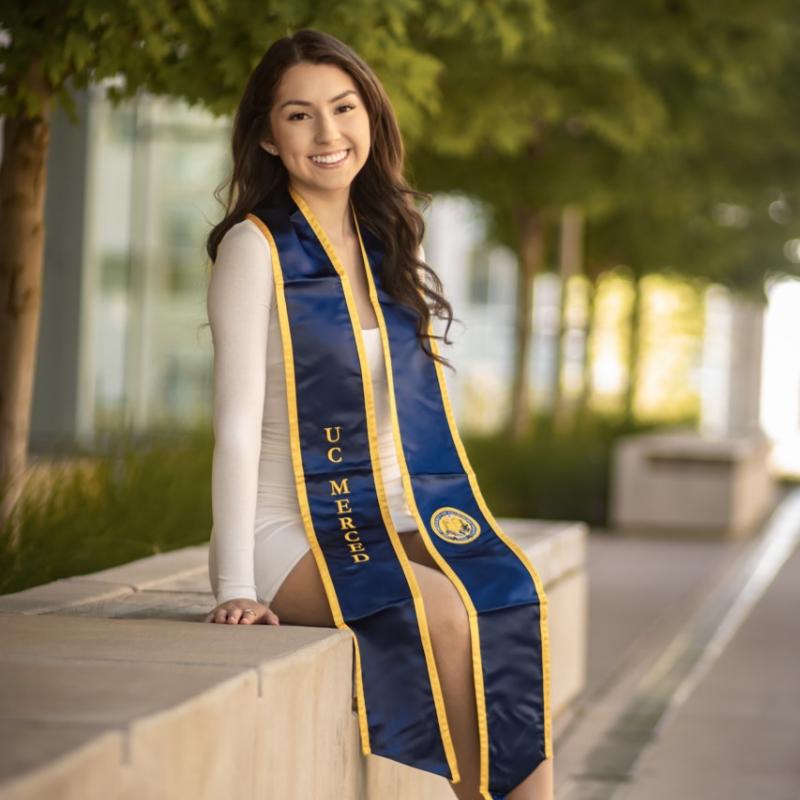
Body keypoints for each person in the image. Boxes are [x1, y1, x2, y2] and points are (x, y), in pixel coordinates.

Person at [202, 28, 554, 800]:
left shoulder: (389, 239)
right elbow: (232, 424)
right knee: (442, 617)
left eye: (344, 107)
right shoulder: (254, 248)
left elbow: (405, 411)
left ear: (372, 117)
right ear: (267, 135)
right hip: (285, 527)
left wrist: (425, 520)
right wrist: (232, 583)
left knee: (505, 600)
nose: (328, 134)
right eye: (299, 116)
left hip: (383, 509)